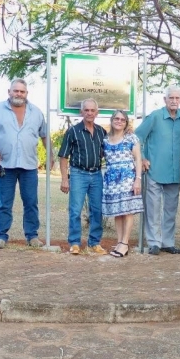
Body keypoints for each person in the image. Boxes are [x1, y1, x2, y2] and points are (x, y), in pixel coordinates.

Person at [0, 79, 50, 249]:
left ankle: (32, 235)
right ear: (9, 91)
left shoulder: (36, 112)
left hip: (28, 166)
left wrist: (50, 156)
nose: (18, 94)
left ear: (26, 94)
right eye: (16, 91)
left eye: (22, 92)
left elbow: (44, 135)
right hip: (5, 165)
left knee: (31, 202)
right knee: (4, 203)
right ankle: (1, 236)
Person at [135, 86, 180, 255]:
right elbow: (137, 137)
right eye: (170, 98)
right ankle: (154, 242)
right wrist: (142, 158)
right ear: (165, 100)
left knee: (170, 209)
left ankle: (167, 242)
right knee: (153, 208)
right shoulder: (155, 116)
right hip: (154, 169)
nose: (174, 101)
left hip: (173, 171)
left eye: (176, 98)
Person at [59, 99, 107, 254]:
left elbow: (106, 152)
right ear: (82, 112)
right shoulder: (73, 131)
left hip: (96, 174)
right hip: (78, 173)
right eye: (86, 110)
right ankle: (74, 242)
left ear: (97, 112)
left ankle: (95, 242)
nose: (89, 113)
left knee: (97, 210)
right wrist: (65, 179)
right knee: (75, 210)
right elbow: (63, 156)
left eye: (92, 110)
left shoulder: (101, 132)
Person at [102, 110, 143, 257]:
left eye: (122, 120)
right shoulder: (105, 139)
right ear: (112, 120)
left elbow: (138, 159)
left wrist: (137, 179)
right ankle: (119, 242)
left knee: (127, 211)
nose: (119, 121)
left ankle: (125, 243)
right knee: (117, 212)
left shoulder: (131, 138)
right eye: (116, 119)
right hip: (111, 180)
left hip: (127, 178)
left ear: (126, 123)